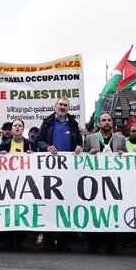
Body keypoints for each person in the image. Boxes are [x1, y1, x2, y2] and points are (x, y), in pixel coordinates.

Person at [36, 97, 83, 251]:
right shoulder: (47, 122)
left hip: (68, 170)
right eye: (60, 104)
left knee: (66, 203)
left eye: (65, 105)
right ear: (54, 106)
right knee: (50, 203)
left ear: (69, 108)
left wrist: (79, 147)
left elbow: (79, 142)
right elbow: (39, 141)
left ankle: (64, 241)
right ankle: (48, 241)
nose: (63, 107)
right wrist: (47, 147)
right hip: (50, 169)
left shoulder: (73, 123)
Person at [83, 112, 125, 254]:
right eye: (104, 120)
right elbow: (81, 159)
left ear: (112, 123)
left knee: (112, 213)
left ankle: (111, 245)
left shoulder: (120, 139)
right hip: (95, 181)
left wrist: (123, 155)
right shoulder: (90, 139)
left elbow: (128, 158)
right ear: (99, 123)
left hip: (113, 181)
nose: (107, 122)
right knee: (94, 212)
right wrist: (89, 155)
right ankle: (92, 244)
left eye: (109, 120)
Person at [0, 118, 37, 250]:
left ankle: (20, 241)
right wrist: (1, 155)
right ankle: (8, 241)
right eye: (15, 125)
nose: (17, 128)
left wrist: (33, 155)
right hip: (8, 183)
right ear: (12, 128)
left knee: (21, 212)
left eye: (20, 126)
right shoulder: (4, 144)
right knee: (9, 211)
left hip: (24, 183)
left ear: (23, 128)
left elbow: (38, 161)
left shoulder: (30, 144)